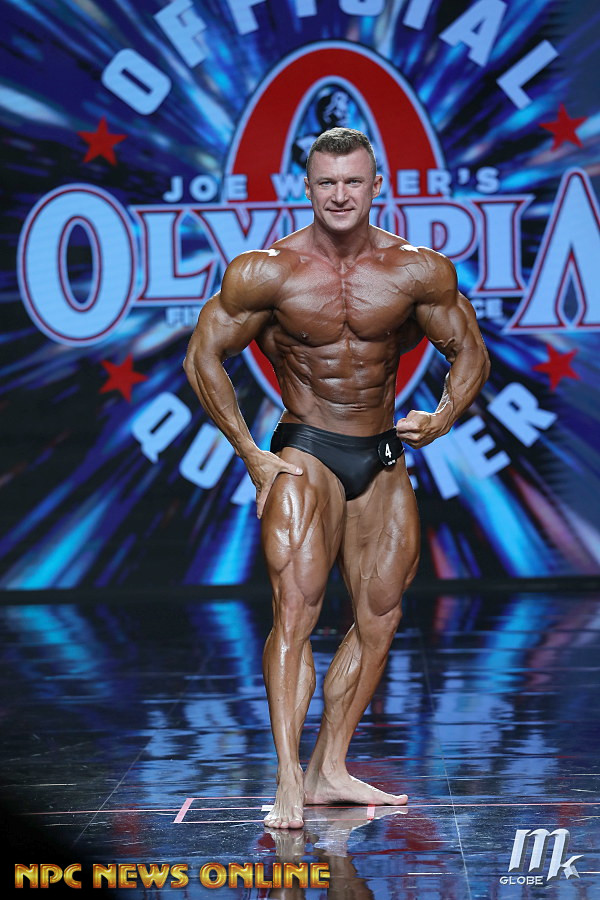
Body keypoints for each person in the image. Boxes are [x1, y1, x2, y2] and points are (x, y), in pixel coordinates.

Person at [184, 127, 490, 829]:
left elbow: (469, 350)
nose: (341, 195)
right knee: (296, 611)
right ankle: (289, 778)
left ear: (377, 185)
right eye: (327, 182)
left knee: (380, 616)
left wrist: (444, 415)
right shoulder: (267, 272)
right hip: (307, 448)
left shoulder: (417, 271)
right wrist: (249, 451)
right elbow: (204, 355)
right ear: (308, 187)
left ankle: (330, 768)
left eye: (353, 181)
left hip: (380, 452)